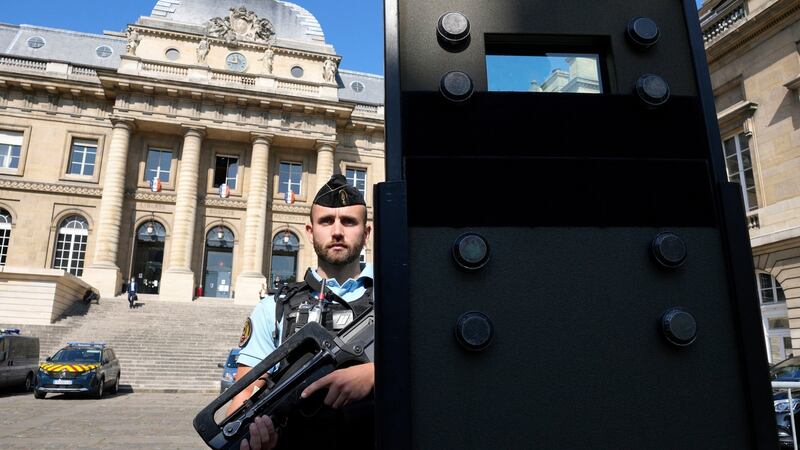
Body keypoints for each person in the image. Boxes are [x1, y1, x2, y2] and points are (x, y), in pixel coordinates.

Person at [229, 174, 374, 450]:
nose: (337, 231)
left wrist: (375, 375)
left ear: (366, 233)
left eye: (349, 221)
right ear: (310, 231)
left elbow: (436, 374)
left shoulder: (398, 298)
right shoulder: (274, 307)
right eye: (326, 221)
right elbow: (245, 393)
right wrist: (253, 436)